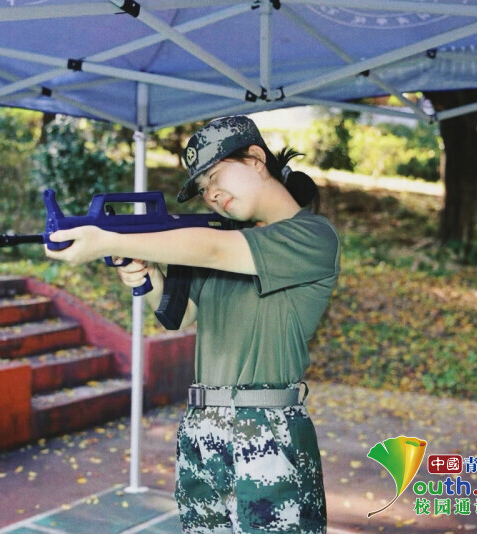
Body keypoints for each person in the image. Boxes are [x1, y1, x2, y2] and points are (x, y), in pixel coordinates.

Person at [45, 115, 340, 533]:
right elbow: (182, 315)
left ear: (256, 159)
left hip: (267, 428)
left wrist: (108, 240)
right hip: (203, 425)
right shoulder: (225, 238)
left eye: (215, 176)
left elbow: (215, 250)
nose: (211, 194)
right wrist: (147, 273)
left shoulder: (311, 235)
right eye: (202, 189)